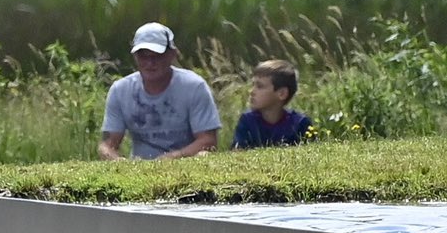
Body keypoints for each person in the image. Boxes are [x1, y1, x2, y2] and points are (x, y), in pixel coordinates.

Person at [98, 21, 220, 160]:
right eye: (143, 56)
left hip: (186, 165)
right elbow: (107, 144)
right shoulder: (120, 91)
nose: (150, 63)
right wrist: (119, 163)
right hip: (139, 168)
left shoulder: (194, 87)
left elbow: (208, 141)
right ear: (135, 57)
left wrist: (173, 157)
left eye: (157, 56)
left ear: (172, 55)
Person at [232, 59, 311, 149]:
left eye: (260, 86)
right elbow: (238, 154)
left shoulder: (299, 124)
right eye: (253, 85)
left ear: (282, 94)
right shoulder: (247, 121)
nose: (252, 91)